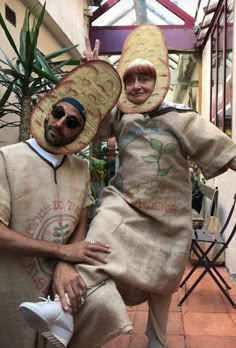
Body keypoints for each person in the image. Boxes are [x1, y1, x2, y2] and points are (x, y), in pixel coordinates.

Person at [19, 25, 236, 348]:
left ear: (160, 79)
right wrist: (88, 74)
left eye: (144, 78)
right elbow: (86, 122)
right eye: (130, 79)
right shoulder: (120, 115)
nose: (136, 86)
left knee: (162, 283)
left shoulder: (183, 119)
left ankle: (157, 339)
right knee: (94, 252)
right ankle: (62, 312)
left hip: (170, 219)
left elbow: (225, 150)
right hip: (123, 205)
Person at [0, 60, 121, 348]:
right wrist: (63, 251)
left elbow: (81, 217)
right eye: (58, 113)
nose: (59, 123)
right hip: (12, 285)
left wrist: (66, 262)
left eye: (71, 123)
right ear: (48, 111)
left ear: (80, 133)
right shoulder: (7, 158)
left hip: (59, 289)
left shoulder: (80, 168)